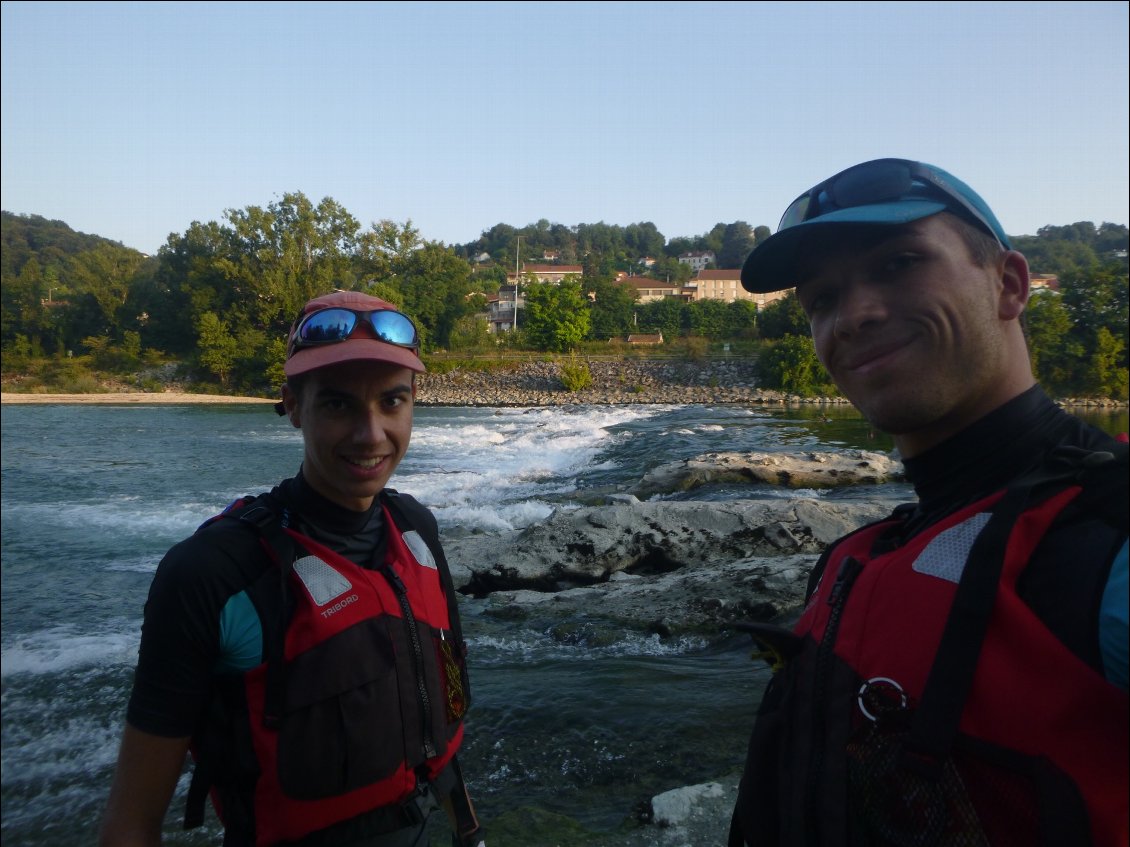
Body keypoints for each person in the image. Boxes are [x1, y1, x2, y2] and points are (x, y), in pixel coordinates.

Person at [728, 158, 1128, 846]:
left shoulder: (1109, 534)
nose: (852, 315)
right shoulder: (867, 551)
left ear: (1009, 284)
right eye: (822, 299)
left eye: (899, 263)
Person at [100, 290, 486, 847]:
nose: (371, 434)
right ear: (292, 406)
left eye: (391, 402)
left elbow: (438, 728)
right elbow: (131, 824)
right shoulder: (213, 574)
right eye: (337, 405)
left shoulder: (416, 528)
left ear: (413, 401)